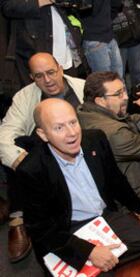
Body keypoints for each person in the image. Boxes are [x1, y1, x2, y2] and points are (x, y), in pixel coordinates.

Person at [16, 98, 140, 274]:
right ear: (43, 134)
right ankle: (98, 265)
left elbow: (114, 178)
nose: (72, 133)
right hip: (66, 229)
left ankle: (98, 266)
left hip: (102, 216)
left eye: (73, 122)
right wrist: (88, 251)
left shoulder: (96, 139)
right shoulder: (31, 170)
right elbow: (40, 229)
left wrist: (137, 206)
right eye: (59, 127)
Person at [0, 52, 85, 262]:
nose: (47, 80)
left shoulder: (83, 87)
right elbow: (4, 136)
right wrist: (23, 163)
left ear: (61, 68)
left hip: (83, 149)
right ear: (32, 77)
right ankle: (18, 217)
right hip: (46, 155)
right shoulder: (24, 97)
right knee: (17, 148)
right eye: (39, 76)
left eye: (51, 72)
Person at [1, 0, 88, 86]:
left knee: (68, 91)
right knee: (39, 93)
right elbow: (9, 7)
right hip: (35, 48)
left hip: (66, 46)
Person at [79, 0, 124, 78]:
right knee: (110, 80)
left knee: (108, 81)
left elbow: (116, 4)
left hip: (98, 34)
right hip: (97, 36)